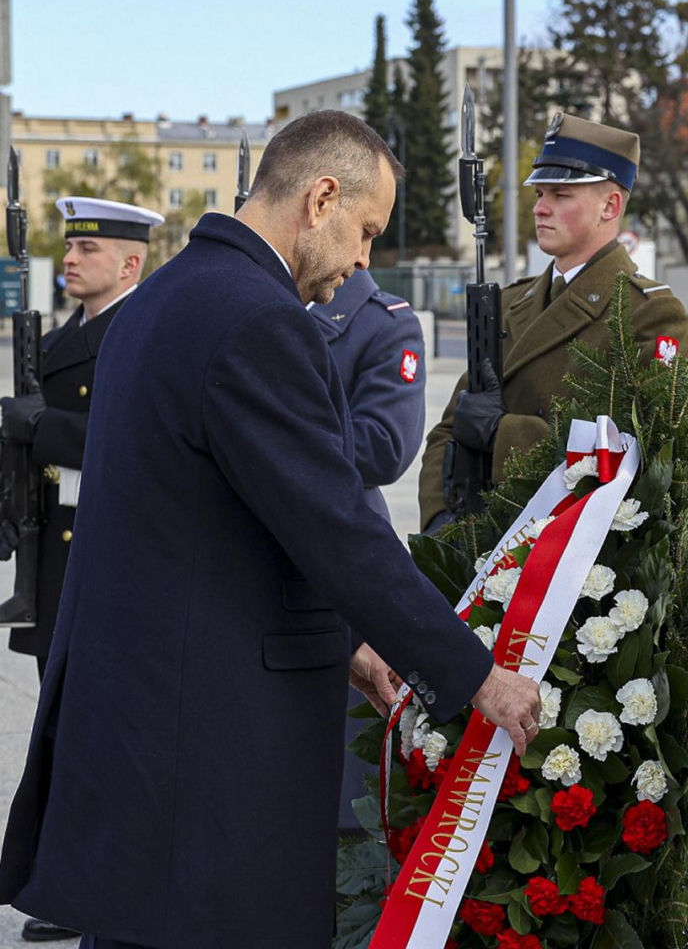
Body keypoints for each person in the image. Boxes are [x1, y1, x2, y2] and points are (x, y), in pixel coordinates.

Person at [0, 111, 544, 949]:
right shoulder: (258, 319)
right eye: (366, 231)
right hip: (206, 752)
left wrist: (354, 646)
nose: (362, 260)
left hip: (141, 735)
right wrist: (476, 676)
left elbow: (223, 514)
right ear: (321, 199)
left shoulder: (166, 297)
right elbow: (334, 524)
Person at [0, 197, 158, 945]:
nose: (69, 258)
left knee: (107, 735)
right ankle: (72, 884)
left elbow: (135, 441)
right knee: (62, 731)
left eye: (88, 249)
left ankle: (106, 887)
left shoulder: (145, 333)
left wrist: (43, 427)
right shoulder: (64, 338)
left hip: (115, 559)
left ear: (131, 263)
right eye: (68, 247)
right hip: (58, 559)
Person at [419, 113, 688, 532]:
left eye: (561, 195)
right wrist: (441, 521)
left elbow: (635, 457)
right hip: (480, 542)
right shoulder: (508, 302)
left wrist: (503, 434)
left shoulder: (650, 314)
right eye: (540, 193)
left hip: (573, 552)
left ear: (610, 206)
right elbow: (450, 429)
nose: (540, 208)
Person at [309, 267, 429, 842]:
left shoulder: (381, 323)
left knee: (341, 811)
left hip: (340, 554)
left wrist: (279, 431)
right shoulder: (261, 304)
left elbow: (386, 445)